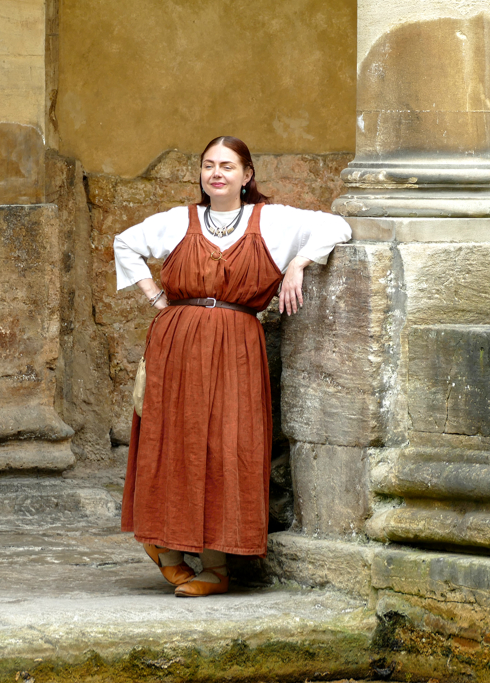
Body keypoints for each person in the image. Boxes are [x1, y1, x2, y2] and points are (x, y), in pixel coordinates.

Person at [112, 136, 351, 597]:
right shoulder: (178, 221)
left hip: (237, 345)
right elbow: (125, 243)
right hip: (177, 343)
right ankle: (164, 546)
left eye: (226, 165)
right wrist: (156, 297)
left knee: (228, 445)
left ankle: (217, 565)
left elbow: (337, 226)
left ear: (247, 175)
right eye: (207, 166)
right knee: (173, 439)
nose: (216, 173)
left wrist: (299, 262)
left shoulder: (276, 221)